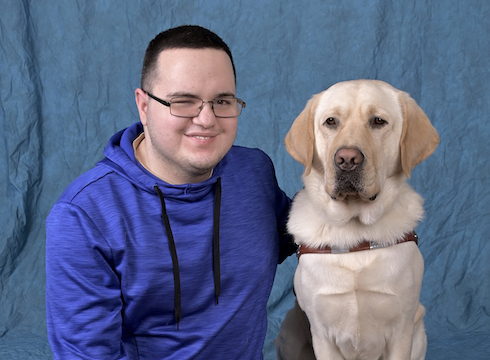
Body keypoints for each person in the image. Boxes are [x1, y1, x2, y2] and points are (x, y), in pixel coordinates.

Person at [45, 25, 296, 359]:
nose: (207, 119)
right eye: (183, 101)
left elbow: (314, 231)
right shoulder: (82, 216)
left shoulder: (254, 172)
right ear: (144, 106)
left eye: (222, 100)